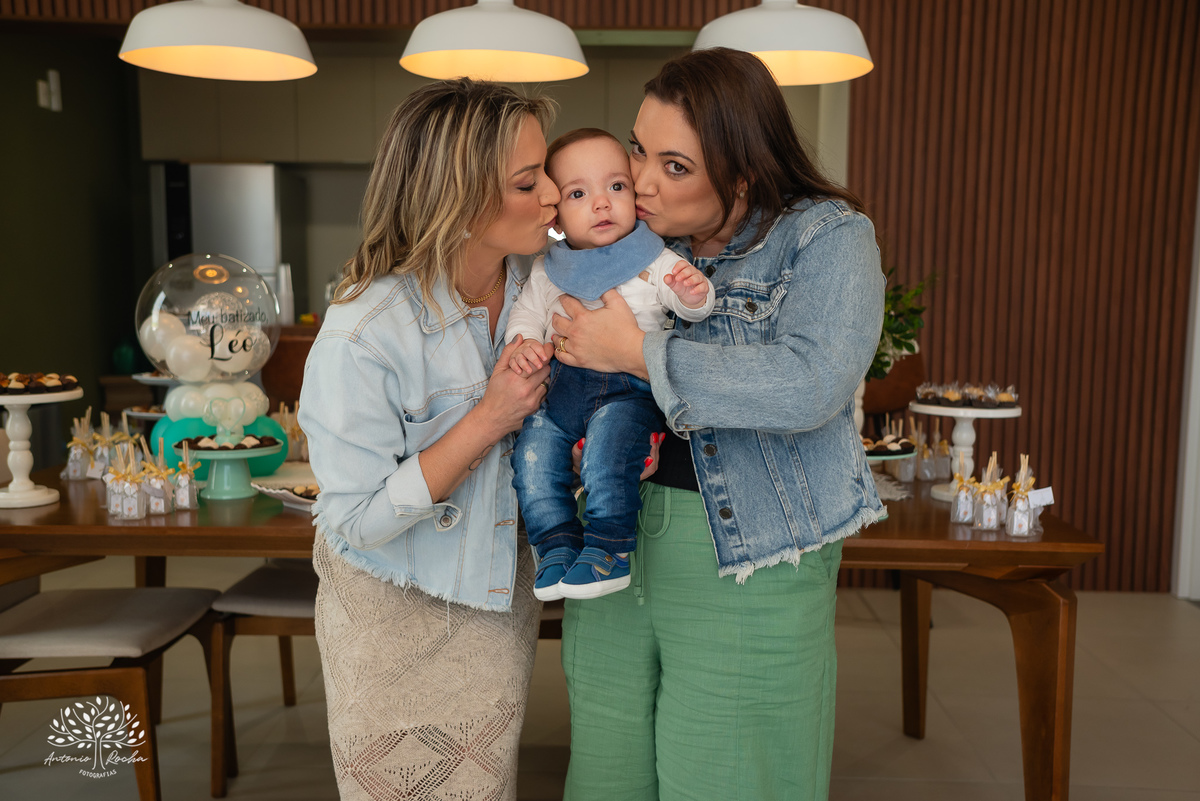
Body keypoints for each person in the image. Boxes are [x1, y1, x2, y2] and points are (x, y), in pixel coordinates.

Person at [547, 48, 887, 801]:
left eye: (675, 166)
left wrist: (641, 354)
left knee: (734, 773)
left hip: (750, 549)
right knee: (608, 767)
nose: (636, 179)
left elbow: (813, 383)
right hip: (617, 538)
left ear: (742, 172)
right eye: (640, 148)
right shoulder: (628, 239)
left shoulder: (827, 237)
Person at [296, 79, 559, 801]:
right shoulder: (364, 334)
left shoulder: (550, 294)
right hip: (390, 620)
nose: (553, 198)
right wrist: (489, 417)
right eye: (529, 182)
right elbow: (357, 520)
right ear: (460, 194)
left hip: (496, 611)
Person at [506, 128, 715, 602]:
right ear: (556, 214)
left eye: (616, 186)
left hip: (629, 393)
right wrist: (522, 344)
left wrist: (693, 295)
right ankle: (555, 543)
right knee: (532, 455)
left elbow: (689, 306)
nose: (602, 203)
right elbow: (527, 314)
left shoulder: (654, 257)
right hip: (562, 392)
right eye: (579, 193)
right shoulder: (547, 268)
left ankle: (608, 549)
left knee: (607, 458)